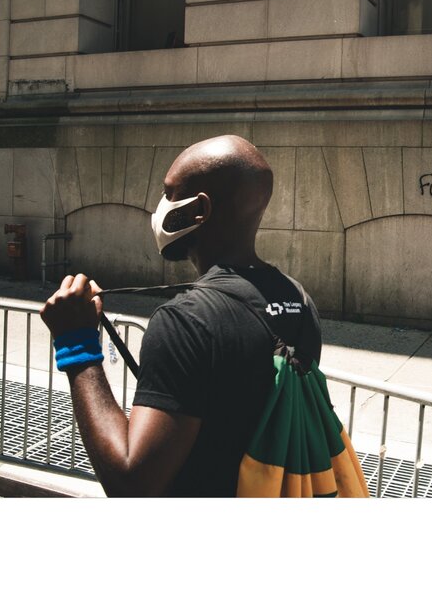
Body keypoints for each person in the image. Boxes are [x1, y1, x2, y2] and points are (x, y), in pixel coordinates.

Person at [40, 135, 323, 497]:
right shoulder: (298, 298)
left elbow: (132, 483)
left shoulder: (186, 321)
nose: (160, 207)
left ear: (198, 211)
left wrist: (75, 344)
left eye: (169, 193)